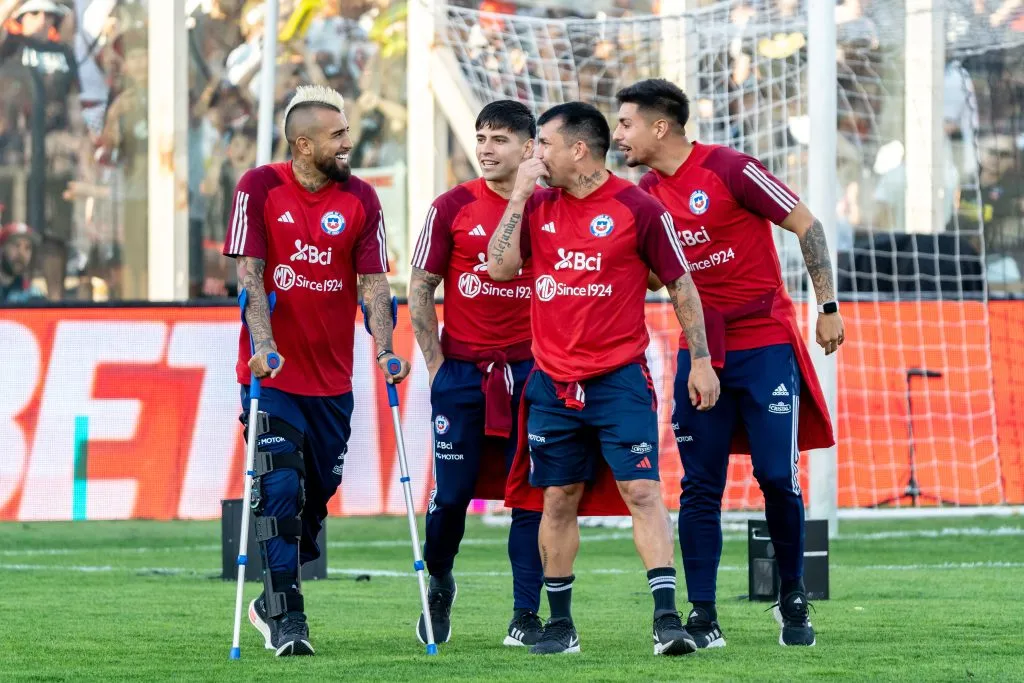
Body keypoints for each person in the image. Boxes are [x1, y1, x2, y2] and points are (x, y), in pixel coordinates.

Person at [613, 78, 842, 648]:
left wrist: (828, 307)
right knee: (700, 485)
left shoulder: (733, 168)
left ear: (658, 126)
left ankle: (793, 594)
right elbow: (647, 272)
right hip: (700, 352)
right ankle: (703, 615)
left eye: (625, 123)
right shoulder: (643, 192)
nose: (618, 134)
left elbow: (805, 224)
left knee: (775, 476)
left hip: (763, 342)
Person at [487, 101, 720, 656]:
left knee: (642, 491)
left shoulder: (637, 207)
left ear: (578, 149)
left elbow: (681, 287)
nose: (533, 153)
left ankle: (667, 620)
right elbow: (498, 268)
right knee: (558, 500)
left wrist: (703, 359)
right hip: (552, 383)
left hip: (618, 380)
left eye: (542, 143)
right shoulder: (536, 206)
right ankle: (561, 625)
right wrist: (518, 195)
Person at [222, 84, 410, 657]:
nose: (349, 143)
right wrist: (265, 344)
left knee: (313, 496)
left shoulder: (362, 199)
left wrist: (385, 349)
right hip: (272, 375)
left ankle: (274, 590)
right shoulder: (259, 187)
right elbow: (250, 276)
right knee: (277, 489)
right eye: (337, 135)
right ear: (304, 145)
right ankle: (285, 618)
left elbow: (374, 285)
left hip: (333, 383)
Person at [409, 100, 544, 648]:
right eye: (481, 137)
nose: (486, 148)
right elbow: (419, 289)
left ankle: (526, 614)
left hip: (534, 372)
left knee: (533, 495)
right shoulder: (451, 206)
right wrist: (437, 365)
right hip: (464, 374)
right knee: (452, 497)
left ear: (529, 147)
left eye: (500, 139)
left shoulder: (551, 206)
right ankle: (439, 582)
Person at [0, 222, 46, 303]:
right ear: (2, 248)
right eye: (16, 245)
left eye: (27, 248)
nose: (22, 253)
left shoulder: (33, 295)